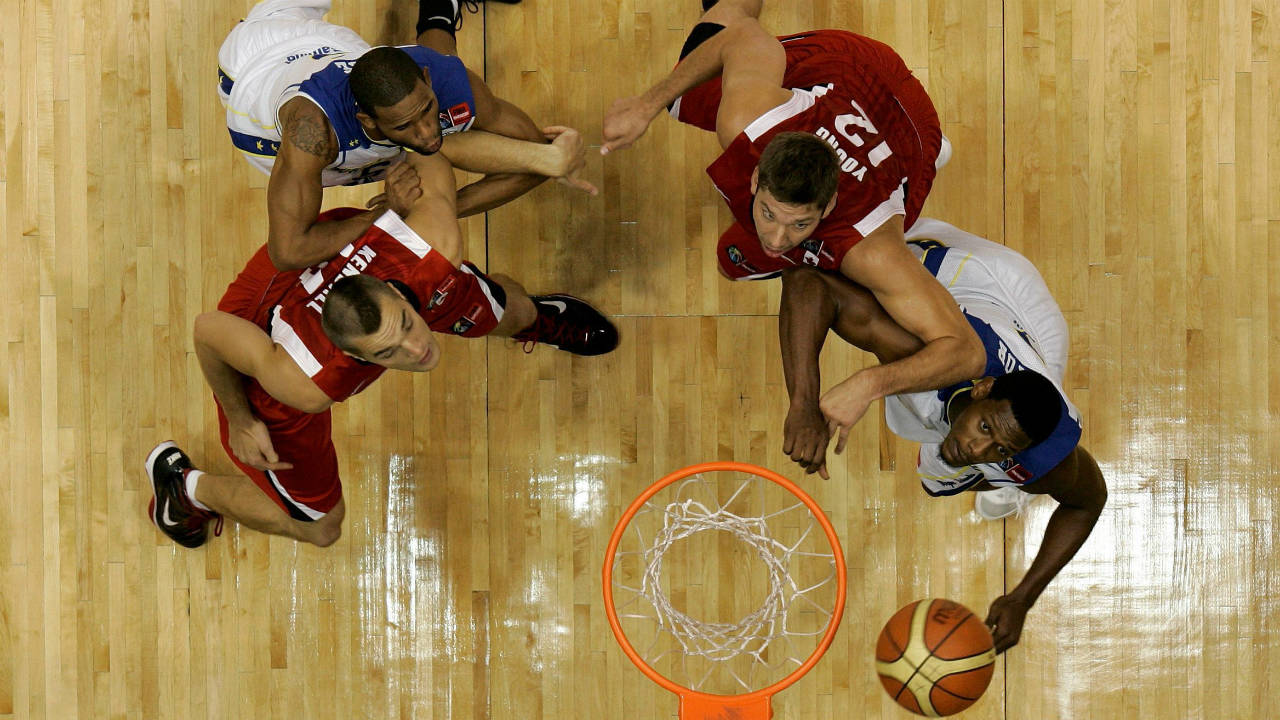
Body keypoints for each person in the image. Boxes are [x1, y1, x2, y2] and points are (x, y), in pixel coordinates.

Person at [145, 150, 617, 550]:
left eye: (409, 326)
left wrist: (394, 163)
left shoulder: (430, 248)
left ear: (393, 290)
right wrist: (243, 420)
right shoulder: (305, 384)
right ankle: (187, 492)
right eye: (391, 352)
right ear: (360, 361)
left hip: (327, 252)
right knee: (322, 527)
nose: (419, 350)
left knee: (500, 308)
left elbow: (432, 142)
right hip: (258, 328)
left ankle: (539, 318)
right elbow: (208, 331)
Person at [601, 0, 984, 439]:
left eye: (800, 225)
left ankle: (935, 157)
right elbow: (743, 34)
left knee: (834, 278)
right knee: (686, 85)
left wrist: (867, 384)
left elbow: (966, 353)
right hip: (843, 70)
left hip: (906, 131)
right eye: (768, 214)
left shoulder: (871, 246)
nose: (777, 238)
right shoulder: (748, 120)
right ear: (756, 178)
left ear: (828, 205)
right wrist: (646, 104)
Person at [777, 218, 1108, 653]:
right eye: (985, 428)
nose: (976, 448)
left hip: (1020, 344)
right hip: (972, 277)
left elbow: (1087, 501)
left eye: (1000, 448)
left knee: (952, 477)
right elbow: (806, 283)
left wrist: (1022, 598)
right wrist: (804, 403)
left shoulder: (1039, 441)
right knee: (845, 252)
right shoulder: (911, 342)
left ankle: (1014, 484)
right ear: (982, 390)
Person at [218, 0, 593, 270]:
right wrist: (392, 215)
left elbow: (535, 156)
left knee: (441, 123)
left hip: (332, 45)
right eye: (405, 125)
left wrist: (439, 208)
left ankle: (438, 8)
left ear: (426, 79)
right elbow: (288, 251)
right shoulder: (311, 133)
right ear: (368, 120)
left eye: (428, 108)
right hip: (253, 65)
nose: (429, 133)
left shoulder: (440, 75)